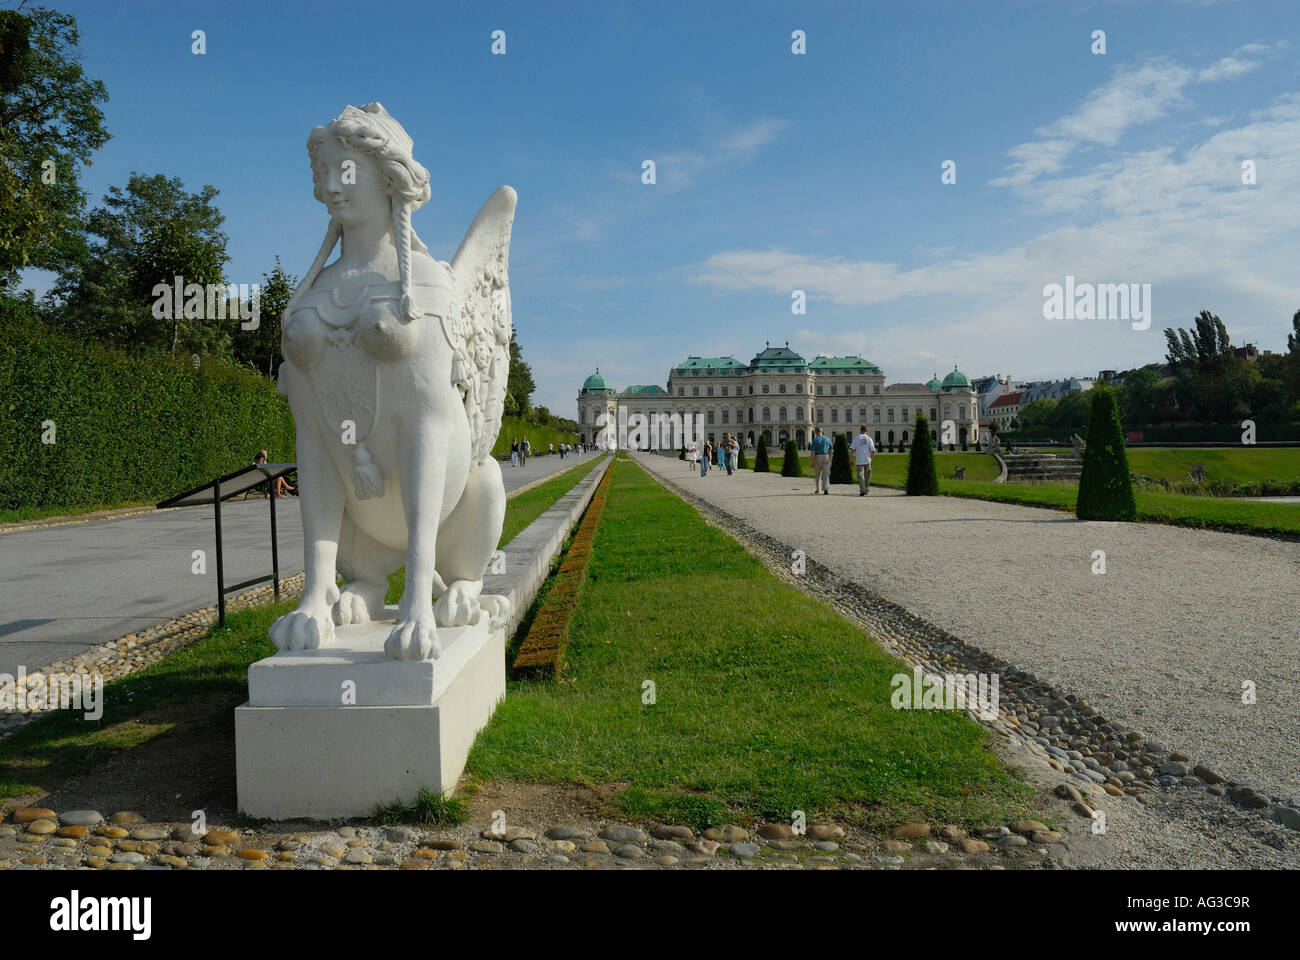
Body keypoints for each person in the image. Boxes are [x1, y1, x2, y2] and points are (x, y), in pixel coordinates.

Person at [851, 425, 877, 496]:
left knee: (860, 476)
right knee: (867, 476)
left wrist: (851, 460)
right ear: (866, 431)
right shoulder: (869, 439)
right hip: (867, 460)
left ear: (860, 430)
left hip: (859, 460)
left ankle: (862, 490)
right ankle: (866, 488)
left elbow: (852, 450)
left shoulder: (856, 438)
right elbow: (873, 451)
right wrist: (870, 458)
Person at [810, 427, 832, 495]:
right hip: (826, 456)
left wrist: (812, 462)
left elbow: (813, 452)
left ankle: (818, 490)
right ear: (822, 432)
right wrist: (830, 460)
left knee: (817, 474)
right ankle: (826, 489)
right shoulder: (828, 439)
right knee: (826, 474)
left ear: (816, 432)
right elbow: (831, 451)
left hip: (818, 457)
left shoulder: (815, 440)